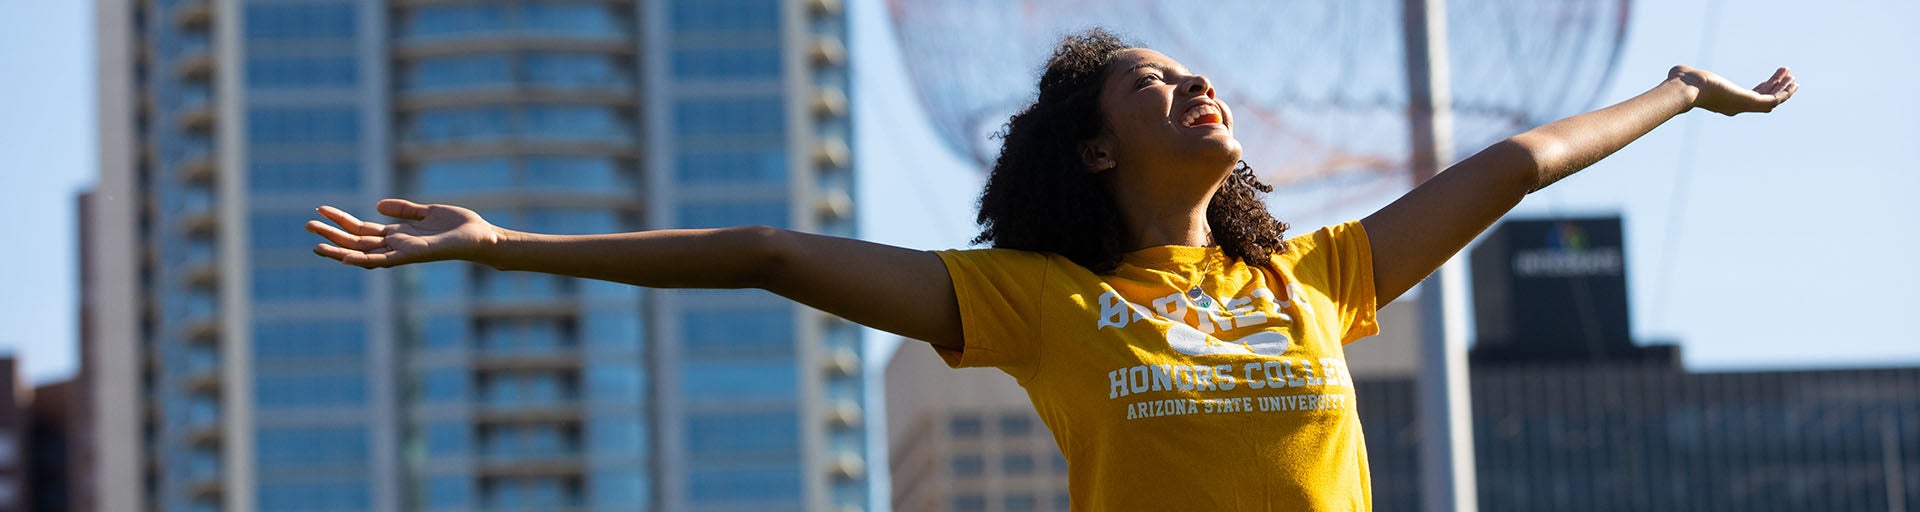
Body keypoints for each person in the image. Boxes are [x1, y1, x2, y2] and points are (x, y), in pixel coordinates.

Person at [308, 29, 1795, 511]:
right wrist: (503, 243)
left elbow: (1521, 160)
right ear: (1093, 155)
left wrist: (1679, 92)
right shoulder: (1039, 305)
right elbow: (766, 252)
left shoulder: (1320, 280)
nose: (1192, 88)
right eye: (1153, 85)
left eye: (1191, 74)